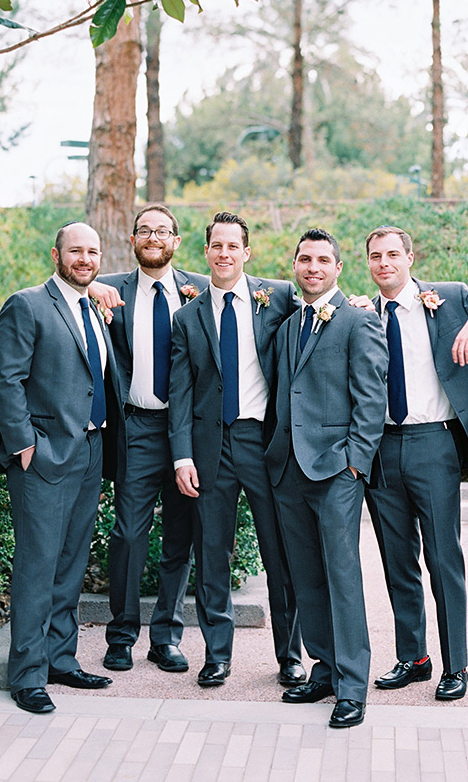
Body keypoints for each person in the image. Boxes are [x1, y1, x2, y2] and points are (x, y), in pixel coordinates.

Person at [357, 225, 468, 700]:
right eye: (375, 256)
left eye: (392, 254)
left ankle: (456, 665)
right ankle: (414, 658)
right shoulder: (360, 314)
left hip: (435, 444)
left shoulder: (449, 298)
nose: (384, 263)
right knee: (396, 559)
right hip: (380, 447)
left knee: (444, 558)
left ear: (409, 256)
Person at [0, 222, 124, 714]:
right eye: (75, 251)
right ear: (56, 254)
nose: (84, 259)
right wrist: (25, 444)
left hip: (90, 453)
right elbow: (6, 380)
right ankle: (26, 675)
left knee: (70, 564)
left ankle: (60, 659)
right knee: (37, 565)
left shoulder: (93, 307)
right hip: (44, 456)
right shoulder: (27, 305)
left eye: (92, 251)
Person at [169, 211, 304, 688]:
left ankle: (290, 656)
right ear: (205, 252)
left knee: (280, 551)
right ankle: (217, 654)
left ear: (247, 252)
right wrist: (182, 455)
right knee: (211, 553)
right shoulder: (187, 317)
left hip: (266, 441)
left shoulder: (280, 297)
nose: (224, 254)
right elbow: (180, 391)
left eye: (233, 246)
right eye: (216, 246)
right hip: (210, 447)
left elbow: (325, 311)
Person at [265, 228, 388, 728]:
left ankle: (353, 686)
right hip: (289, 468)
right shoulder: (289, 325)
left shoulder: (360, 322)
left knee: (341, 576)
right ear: (294, 266)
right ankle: (325, 667)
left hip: (337, 468)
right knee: (305, 575)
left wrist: (356, 462)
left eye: (322, 260)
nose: (312, 267)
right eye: (304, 259)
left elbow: (372, 397)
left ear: (338, 268)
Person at [89, 204, 208, 674]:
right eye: (144, 230)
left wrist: (354, 301)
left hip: (189, 436)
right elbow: (62, 279)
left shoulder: (201, 287)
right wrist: (91, 285)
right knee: (129, 535)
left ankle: (167, 637)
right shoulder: (108, 288)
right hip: (136, 428)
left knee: (181, 536)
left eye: (163, 231)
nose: (153, 237)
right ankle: (121, 634)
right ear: (132, 240)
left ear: (176, 241)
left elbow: (265, 296)